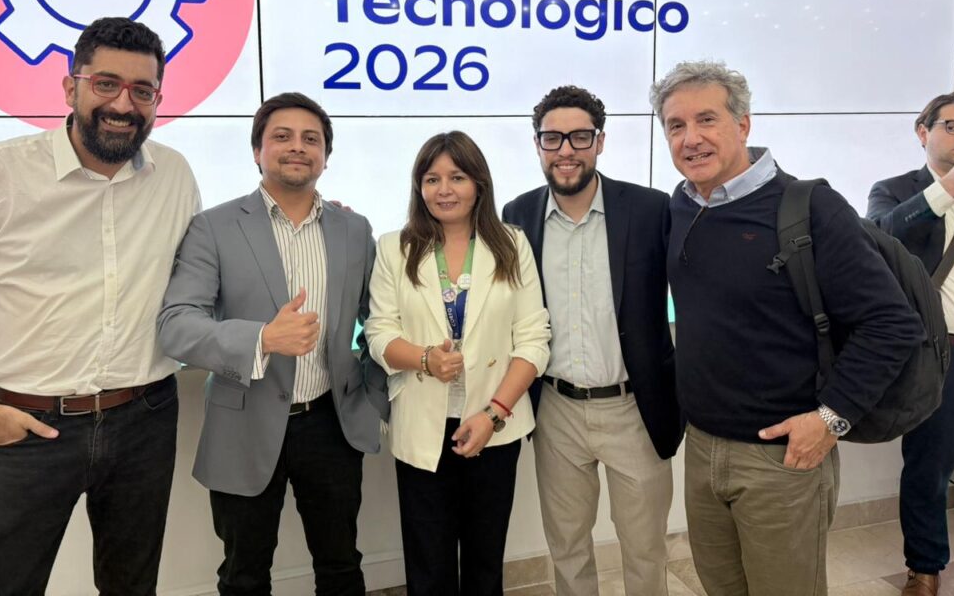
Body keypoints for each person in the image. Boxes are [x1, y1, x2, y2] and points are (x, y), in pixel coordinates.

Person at [0, 17, 200, 595]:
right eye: (106, 84)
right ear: (69, 87)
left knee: (132, 587)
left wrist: (311, 218)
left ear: (157, 101)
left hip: (146, 417)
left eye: (142, 90)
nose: (123, 104)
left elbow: (203, 275)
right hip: (29, 426)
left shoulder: (174, 175)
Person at [651, 60, 924, 596]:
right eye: (675, 126)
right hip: (702, 448)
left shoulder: (810, 208)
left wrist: (831, 419)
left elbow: (892, 323)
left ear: (743, 124)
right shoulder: (682, 205)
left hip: (781, 458)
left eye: (706, 119)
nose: (690, 138)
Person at [157, 92, 387, 596]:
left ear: (325, 155)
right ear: (257, 151)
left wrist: (371, 394)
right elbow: (176, 324)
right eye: (282, 136)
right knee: (244, 573)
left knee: (341, 566)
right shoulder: (213, 227)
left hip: (331, 423)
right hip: (243, 423)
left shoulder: (354, 229)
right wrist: (262, 338)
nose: (297, 147)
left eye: (311, 139)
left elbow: (381, 319)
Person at [501, 86, 682, 596]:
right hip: (555, 408)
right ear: (538, 145)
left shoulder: (650, 209)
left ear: (600, 142)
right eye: (552, 138)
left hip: (634, 409)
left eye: (579, 137)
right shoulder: (518, 214)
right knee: (567, 548)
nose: (566, 150)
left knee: (645, 549)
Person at [365, 131, 550, 596]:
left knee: (486, 563)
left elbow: (533, 340)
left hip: (496, 425)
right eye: (432, 179)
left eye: (457, 177)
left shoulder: (512, 244)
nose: (444, 189)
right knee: (429, 567)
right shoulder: (394, 247)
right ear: (419, 187)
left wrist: (493, 415)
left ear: (479, 184)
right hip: (422, 425)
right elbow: (378, 331)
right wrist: (425, 359)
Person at [867, 92, 954, 596]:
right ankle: (925, 567)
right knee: (930, 464)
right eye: (952, 126)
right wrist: (947, 189)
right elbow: (879, 237)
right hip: (940, 353)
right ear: (923, 132)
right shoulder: (895, 190)